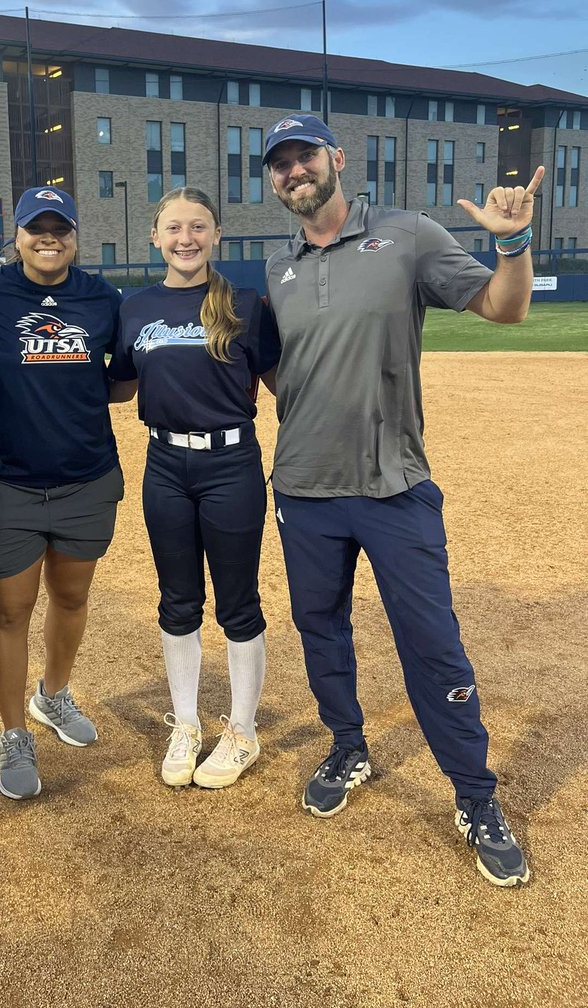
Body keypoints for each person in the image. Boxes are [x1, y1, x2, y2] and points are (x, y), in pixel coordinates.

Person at [261, 113, 541, 887]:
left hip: (393, 486)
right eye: (279, 165)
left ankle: (476, 795)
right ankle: (348, 747)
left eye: (303, 157)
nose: (293, 173)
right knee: (320, 628)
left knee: (433, 643)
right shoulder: (277, 265)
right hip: (303, 489)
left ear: (336, 160)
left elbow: (504, 308)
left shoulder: (406, 234)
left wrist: (512, 243)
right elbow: (280, 365)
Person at [0, 188, 123, 800]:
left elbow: (123, 379)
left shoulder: (101, 297)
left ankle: (53, 695)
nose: (49, 238)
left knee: (71, 598)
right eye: (36, 229)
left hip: (86, 477)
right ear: (16, 236)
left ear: (75, 236)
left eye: (60, 229)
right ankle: (14, 729)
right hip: (8, 481)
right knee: (10, 609)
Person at [109, 188, 281, 789]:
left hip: (231, 464)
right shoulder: (134, 307)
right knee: (177, 600)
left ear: (216, 235)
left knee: (238, 602)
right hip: (165, 466)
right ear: (154, 236)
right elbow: (120, 385)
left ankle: (241, 731)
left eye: (199, 227)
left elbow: (286, 385)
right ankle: (186, 723)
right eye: (174, 227)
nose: (186, 238)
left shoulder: (243, 303)